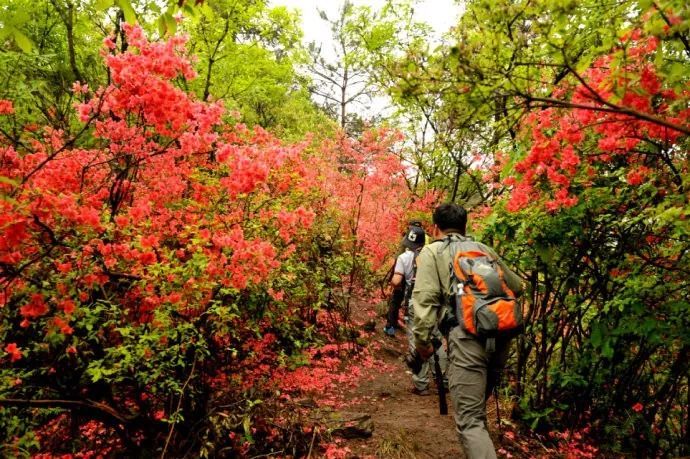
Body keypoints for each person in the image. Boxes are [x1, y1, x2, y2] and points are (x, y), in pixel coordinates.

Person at [411, 203, 523, 458]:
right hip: (501, 335)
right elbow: (517, 286)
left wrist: (422, 342)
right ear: (465, 226)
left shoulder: (432, 252)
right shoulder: (484, 250)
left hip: (467, 338)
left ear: (435, 228)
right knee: (476, 413)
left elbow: (425, 300)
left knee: (470, 421)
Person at [383, 222, 424, 337]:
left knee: (395, 300)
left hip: (403, 278)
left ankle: (390, 326)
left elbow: (396, 281)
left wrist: (393, 282)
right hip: (422, 288)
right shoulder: (428, 254)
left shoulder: (404, 256)